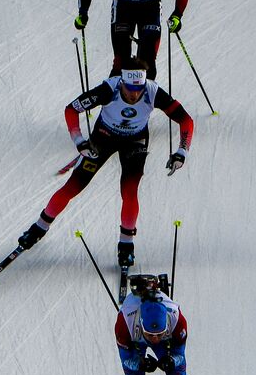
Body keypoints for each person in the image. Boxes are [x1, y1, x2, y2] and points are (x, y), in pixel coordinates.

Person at [17, 57, 192, 267]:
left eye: (138, 89)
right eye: (129, 89)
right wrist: (79, 141)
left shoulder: (153, 91)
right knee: (74, 186)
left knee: (129, 191)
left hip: (135, 141)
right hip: (103, 137)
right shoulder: (109, 89)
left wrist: (182, 151)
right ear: (122, 83)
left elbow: (186, 120)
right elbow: (71, 109)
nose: (134, 94)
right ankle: (39, 227)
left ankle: (126, 244)